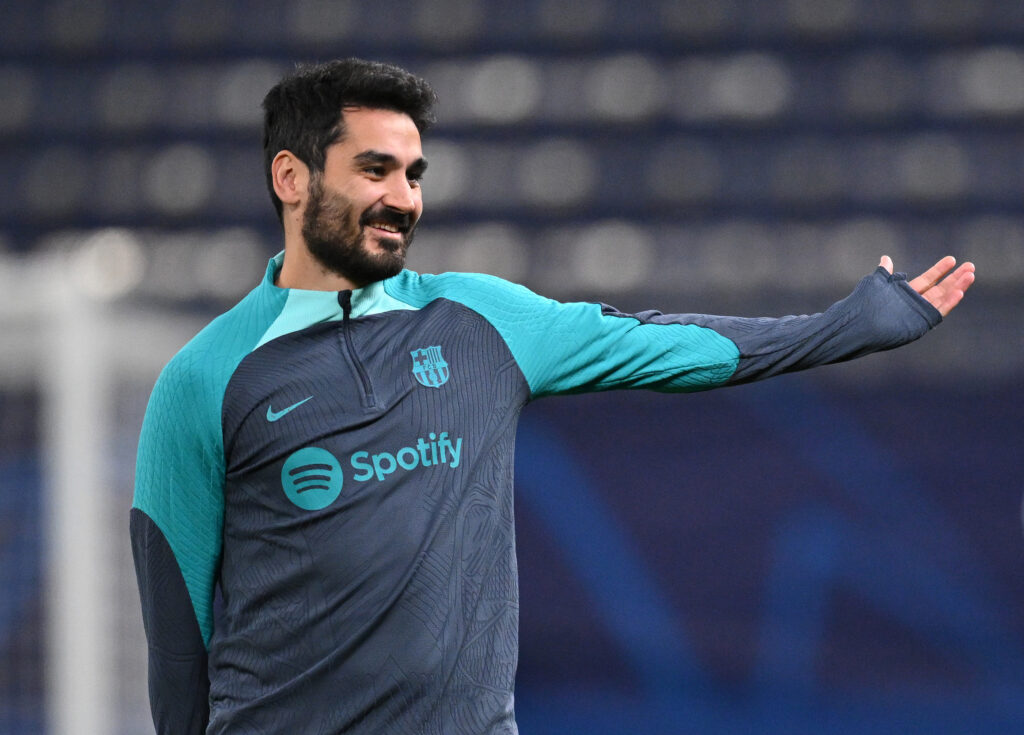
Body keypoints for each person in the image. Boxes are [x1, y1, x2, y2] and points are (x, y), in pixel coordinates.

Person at [130, 58, 975, 734]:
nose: (404, 198)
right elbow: (177, 647)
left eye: (415, 173)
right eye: (375, 169)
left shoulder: (482, 318)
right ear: (291, 176)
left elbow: (662, 342)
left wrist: (844, 326)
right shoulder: (205, 379)